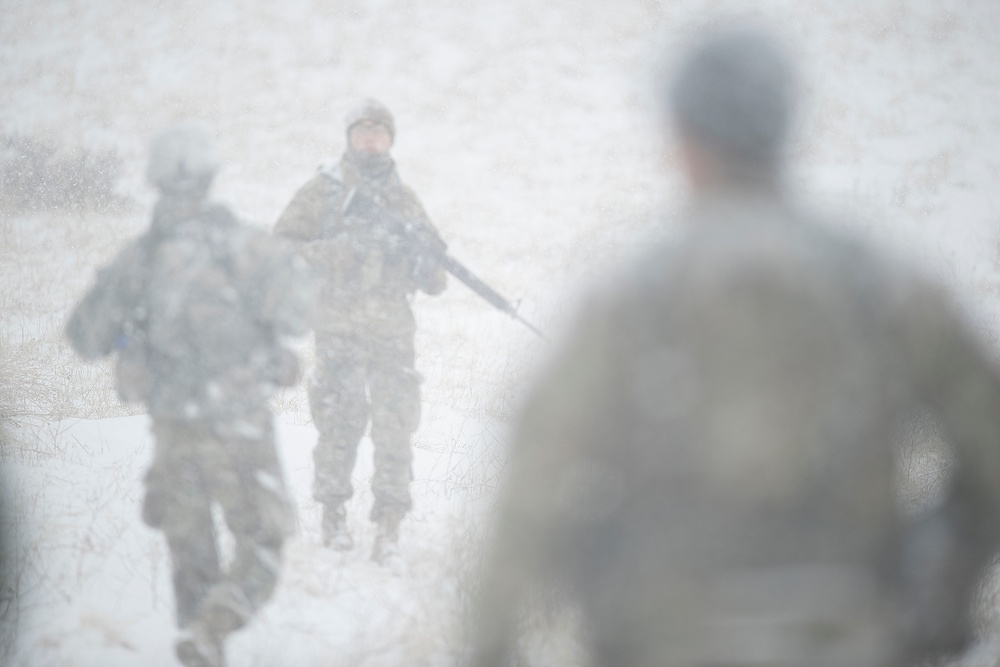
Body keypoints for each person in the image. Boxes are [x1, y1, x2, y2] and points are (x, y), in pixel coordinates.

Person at [470, 24, 1000, 667]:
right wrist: (939, 591)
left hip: (667, 639)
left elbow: (535, 478)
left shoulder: (631, 296)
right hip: (852, 634)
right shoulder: (885, 283)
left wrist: (491, 643)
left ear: (683, 140)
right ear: (785, 128)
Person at [66, 121, 312, 667]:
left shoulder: (139, 260)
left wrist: (133, 323)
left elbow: (84, 336)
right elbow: (298, 314)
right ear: (209, 177)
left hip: (175, 431)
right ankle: (213, 628)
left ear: (156, 181)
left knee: (191, 554)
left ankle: (201, 639)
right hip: (241, 427)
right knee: (263, 542)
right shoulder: (249, 247)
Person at [274, 99, 446, 563]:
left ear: (391, 140)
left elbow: (437, 280)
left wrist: (420, 256)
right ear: (349, 138)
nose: (370, 139)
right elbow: (280, 251)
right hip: (339, 331)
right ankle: (333, 517)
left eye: (379, 132)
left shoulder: (404, 200)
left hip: (393, 336)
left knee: (395, 428)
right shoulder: (322, 192)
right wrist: (339, 252)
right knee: (339, 424)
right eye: (362, 131)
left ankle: (389, 524)